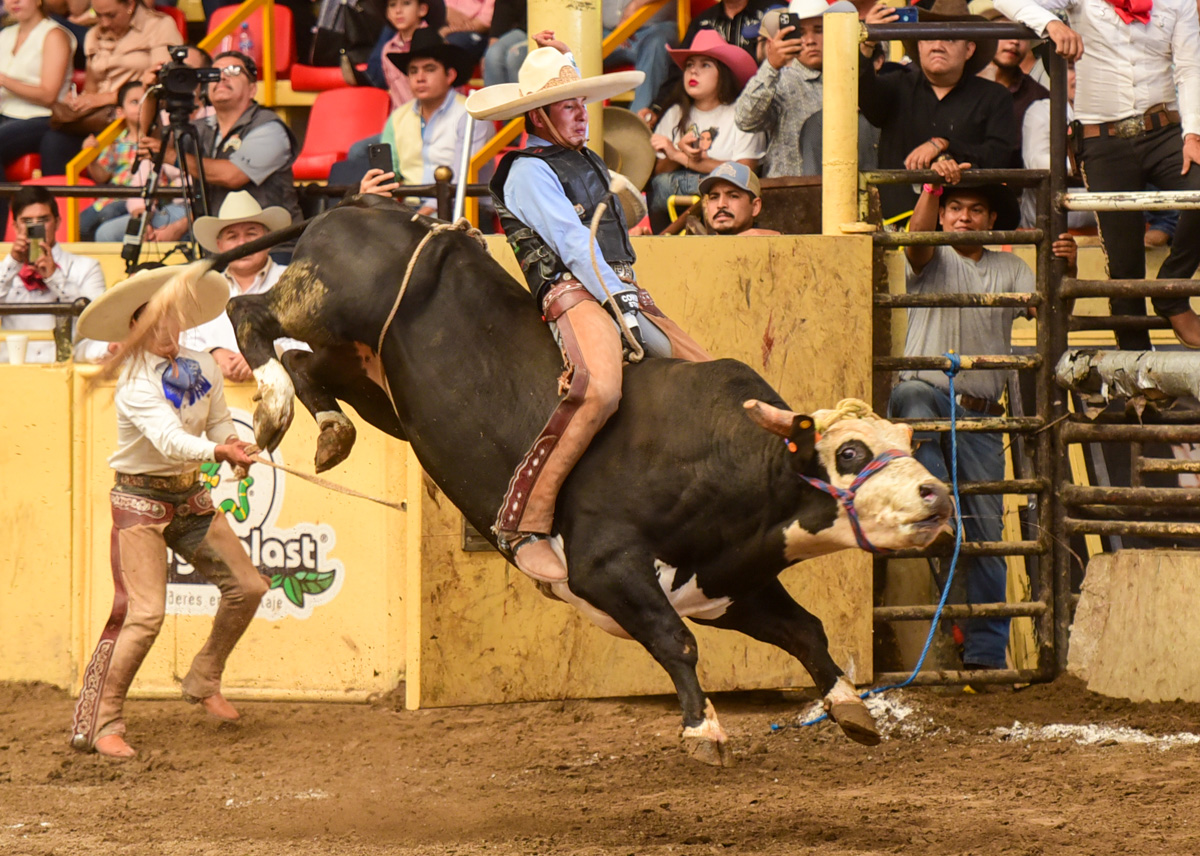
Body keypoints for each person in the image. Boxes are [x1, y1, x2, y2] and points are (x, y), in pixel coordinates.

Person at [466, 43, 711, 583]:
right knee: (598, 388)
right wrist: (618, 298)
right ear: (539, 115)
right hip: (572, 293)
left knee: (708, 372)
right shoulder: (525, 170)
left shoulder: (587, 161)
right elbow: (573, 243)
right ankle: (525, 520)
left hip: (617, 286)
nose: (581, 113)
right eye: (569, 104)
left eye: (582, 102)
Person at [889, 158, 1077, 678]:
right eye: (955, 208)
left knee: (988, 535)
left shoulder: (1013, 267)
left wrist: (1066, 268)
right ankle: (937, 506)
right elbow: (916, 240)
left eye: (975, 210)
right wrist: (931, 186)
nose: (964, 219)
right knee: (911, 395)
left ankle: (986, 659)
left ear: (991, 217)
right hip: (927, 396)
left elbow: (1053, 317)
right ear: (942, 214)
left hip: (980, 413)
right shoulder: (929, 256)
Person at [70, 265, 266, 759]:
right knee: (145, 614)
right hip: (140, 500)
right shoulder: (135, 380)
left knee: (248, 586)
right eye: (156, 322)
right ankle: (99, 720)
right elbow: (169, 439)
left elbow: (219, 421)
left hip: (187, 495)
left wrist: (233, 442)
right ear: (137, 326)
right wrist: (221, 454)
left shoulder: (203, 364)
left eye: (172, 319)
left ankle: (204, 677)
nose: (167, 330)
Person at [995, 0, 1200, 350]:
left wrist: (1193, 134)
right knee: (1123, 261)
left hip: (1165, 128)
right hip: (1101, 139)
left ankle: (1172, 291)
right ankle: (1138, 377)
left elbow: (1189, 67)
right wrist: (1051, 25)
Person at [858, 0, 1018, 222]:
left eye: (950, 38)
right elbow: (862, 94)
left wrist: (946, 145)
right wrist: (866, 43)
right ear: (919, 45)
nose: (937, 45)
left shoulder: (995, 96)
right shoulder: (895, 86)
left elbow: (999, 156)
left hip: (964, 227)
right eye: (928, 37)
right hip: (898, 226)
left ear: (969, 49)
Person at [139, 51, 302, 250]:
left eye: (233, 71)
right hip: (220, 246)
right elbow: (153, 141)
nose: (222, 77)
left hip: (274, 247)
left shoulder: (270, 128)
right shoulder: (200, 128)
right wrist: (151, 94)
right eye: (214, 73)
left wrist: (172, 156)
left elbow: (232, 175)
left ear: (252, 89)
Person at [331, 30, 492, 216]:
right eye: (413, 71)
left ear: (450, 76)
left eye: (429, 69)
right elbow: (389, 175)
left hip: (465, 211)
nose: (420, 78)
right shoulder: (398, 117)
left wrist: (414, 220)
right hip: (411, 212)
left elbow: (460, 180)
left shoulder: (472, 115)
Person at [40, 0, 182, 174]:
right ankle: (58, 200)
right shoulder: (93, 34)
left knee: (49, 136)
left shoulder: (160, 26)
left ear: (130, 5)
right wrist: (80, 101)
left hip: (135, 115)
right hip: (99, 117)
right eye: (98, 15)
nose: (105, 22)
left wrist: (105, 98)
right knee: (53, 139)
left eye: (111, 15)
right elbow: (91, 87)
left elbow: (162, 82)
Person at [648, 30, 764, 231]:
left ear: (723, 72)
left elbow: (746, 171)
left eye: (705, 65)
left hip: (728, 197)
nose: (693, 71)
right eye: (690, 65)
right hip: (674, 202)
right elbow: (658, 176)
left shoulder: (742, 113)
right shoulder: (674, 113)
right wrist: (677, 152)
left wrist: (683, 158)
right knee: (660, 184)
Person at [182, 191, 303, 381]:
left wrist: (268, 355)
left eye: (251, 234)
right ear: (220, 245)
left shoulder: (294, 281)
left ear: (269, 239)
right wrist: (213, 352)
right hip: (216, 399)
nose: (242, 243)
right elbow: (184, 341)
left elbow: (312, 342)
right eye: (232, 236)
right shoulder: (202, 289)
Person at [0, 186, 106, 363]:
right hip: (11, 372)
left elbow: (98, 321)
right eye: (27, 221)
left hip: (64, 371)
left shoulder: (87, 267)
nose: (35, 227)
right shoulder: (5, 268)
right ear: (15, 226)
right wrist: (13, 263)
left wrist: (55, 277)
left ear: (57, 222)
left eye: (43, 220)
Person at [640, 0, 776, 129]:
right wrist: (656, 109)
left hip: (763, 107)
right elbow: (678, 72)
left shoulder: (773, 11)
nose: (693, 70)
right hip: (712, 111)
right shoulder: (703, 21)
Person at [734, 0, 827, 178]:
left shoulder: (854, 78)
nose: (809, 41)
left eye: (818, 30)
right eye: (800, 32)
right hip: (790, 198)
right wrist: (771, 66)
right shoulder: (780, 81)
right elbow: (745, 119)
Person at [0, 0, 75, 172]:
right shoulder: (5, 34)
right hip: (5, 112)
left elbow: (48, 96)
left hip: (41, 117)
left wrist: (4, 81)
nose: (14, 2)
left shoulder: (54, 34)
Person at [977, 7, 1048, 146]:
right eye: (1005, 32)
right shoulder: (959, 85)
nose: (1015, 41)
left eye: (1023, 35)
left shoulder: (1037, 96)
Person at [367, 0, 447, 112]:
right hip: (402, 123)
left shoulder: (436, 44)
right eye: (392, 5)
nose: (398, 11)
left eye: (406, 3)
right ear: (388, 13)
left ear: (422, 9)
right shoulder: (388, 50)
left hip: (436, 121)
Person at [603, 0, 679, 115]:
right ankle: (578, 125)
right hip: (604, 32)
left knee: (656, 45)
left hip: (654, 30)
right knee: (575, 49)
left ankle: (637, 125)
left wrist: (636, 4)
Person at [699, 160, 780, 235]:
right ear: (707, 205)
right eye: (714, 197)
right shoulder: (697, 249)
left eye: (733, 196)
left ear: (755, 206)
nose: (721, 204)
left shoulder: (774, 246)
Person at [482, 0, 526, 86]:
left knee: (515, 56)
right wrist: (493, 39)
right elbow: (504, 5)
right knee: (493, 54)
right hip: (524, 30)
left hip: (553, 29)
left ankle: (521, 98)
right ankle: (495, 99)